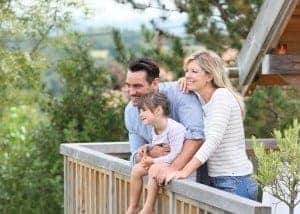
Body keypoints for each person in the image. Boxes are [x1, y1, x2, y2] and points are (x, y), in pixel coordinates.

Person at [165, 51, 258, 200]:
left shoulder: (221, 97)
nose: (188, 75)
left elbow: (213, 141)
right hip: (218, 180)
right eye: (186, 71)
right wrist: (186, 79)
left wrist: (184, 171)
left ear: (209, 76)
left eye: (194, 71)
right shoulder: (202, 99)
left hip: (235, 181)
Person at [124, 58, 207, 201]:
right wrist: (150, 151)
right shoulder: (130, 112)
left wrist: (173, 169)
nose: (131, 92)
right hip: (161, 187)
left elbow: (196, 137)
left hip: (197, 185)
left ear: (155, 83)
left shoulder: (181, 93)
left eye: (137, 86)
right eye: (128, 86)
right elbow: (135, 157)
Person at [126, 91, 186, 214]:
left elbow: (177, 155)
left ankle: (149, 208)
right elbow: (158, 146)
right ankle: (134, 206)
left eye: (144, 110)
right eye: (140, 111)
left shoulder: (175, 129)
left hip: (176, 166)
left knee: (153, 169)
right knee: (136, 170)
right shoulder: (155, 128)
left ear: (158, 111)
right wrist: (147, 147)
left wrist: (153, 161)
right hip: (162, 163)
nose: (141, 114)